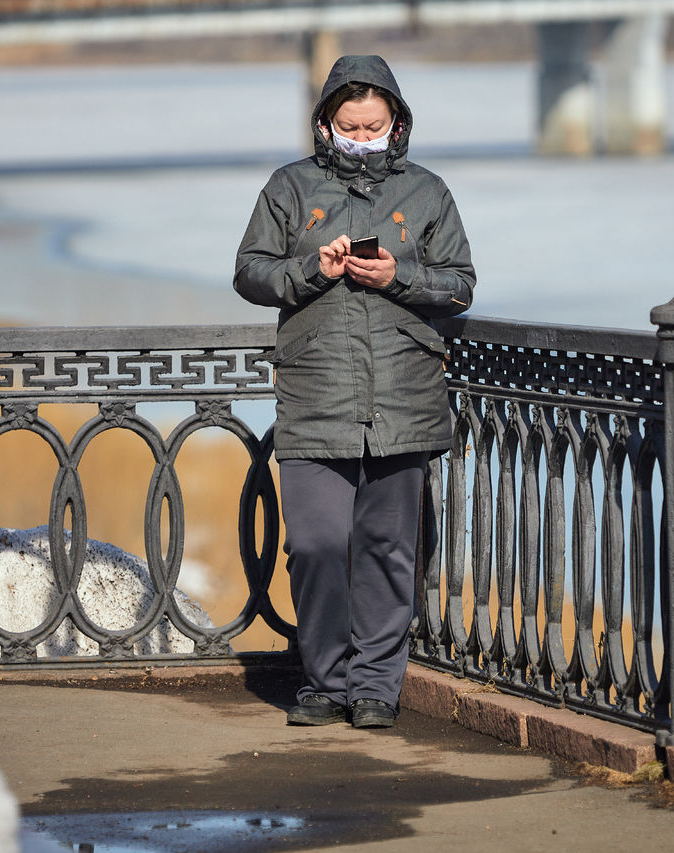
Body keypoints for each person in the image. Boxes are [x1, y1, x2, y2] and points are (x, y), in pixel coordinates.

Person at [234, 55, 475, 729]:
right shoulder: (289, 187)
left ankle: (374, 683)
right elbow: (250, 272)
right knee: (313, 542)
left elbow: (460, 283)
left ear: (396, 123)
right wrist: (316, 267)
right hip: (315, 395)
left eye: (373, 125)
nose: (362, 136)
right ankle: (324, 676)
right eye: (350, 125)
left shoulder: (428, 193)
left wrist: (399, 274)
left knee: (387, 546)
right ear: (325, 124)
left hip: (403, 393)